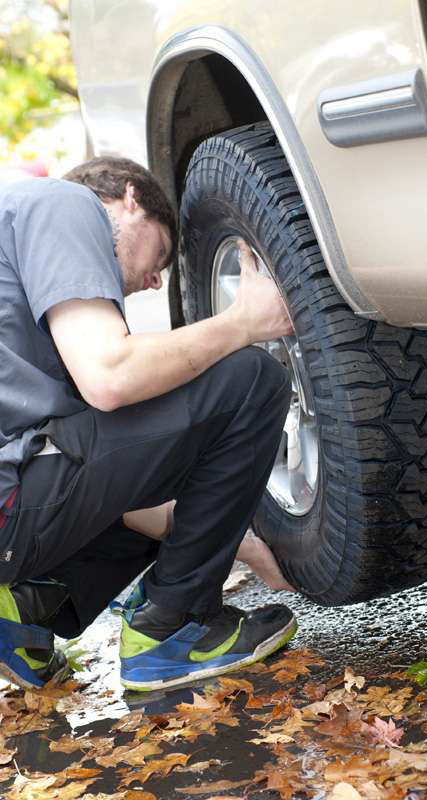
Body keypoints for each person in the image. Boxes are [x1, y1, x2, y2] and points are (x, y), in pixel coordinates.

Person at [0, 156, 297, 693]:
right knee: (250, 379)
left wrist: (231, 538)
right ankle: (173, 627)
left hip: (14, 513)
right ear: (129, 198)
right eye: (160, 250)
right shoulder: (60, 203)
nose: (155, 280)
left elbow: (123, 487)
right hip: (10, 510)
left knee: (151, 423)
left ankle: (23, 610)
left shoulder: (29, 315)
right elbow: (111, 376)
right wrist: (242, 324)